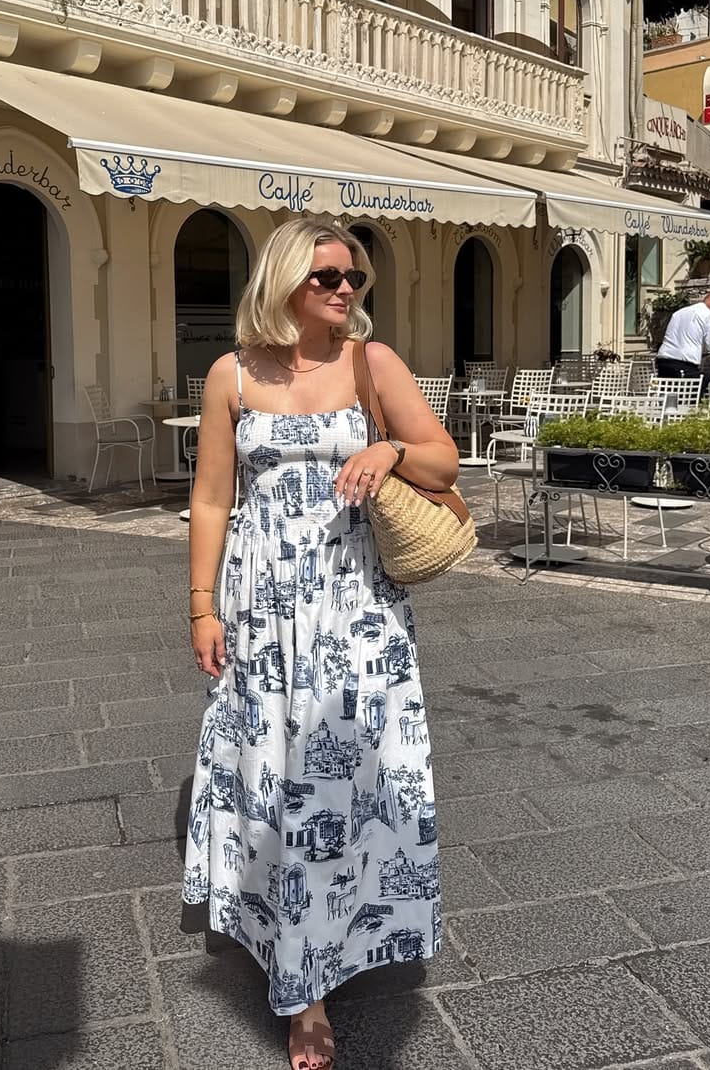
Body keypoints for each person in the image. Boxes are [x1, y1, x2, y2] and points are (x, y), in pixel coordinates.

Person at [183, 218, 457, 1070]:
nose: (345, 290)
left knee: (351, 784)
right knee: (271, 776)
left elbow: (444, 464)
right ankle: (291, 962)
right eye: (327, 277)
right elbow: (210, 500)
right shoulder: (230, 374)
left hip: (356, 613)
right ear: (285, 281)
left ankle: (318, 982)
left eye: (354, 277)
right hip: (262, 611)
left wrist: (390, 445)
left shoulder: (373, 365)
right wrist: (201, 606)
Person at [656, 288, 710, 379]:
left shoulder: (679, 313)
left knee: (667, 390)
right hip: (683, 364)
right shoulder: (709, 315)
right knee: (707, 382)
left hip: (663, 361)